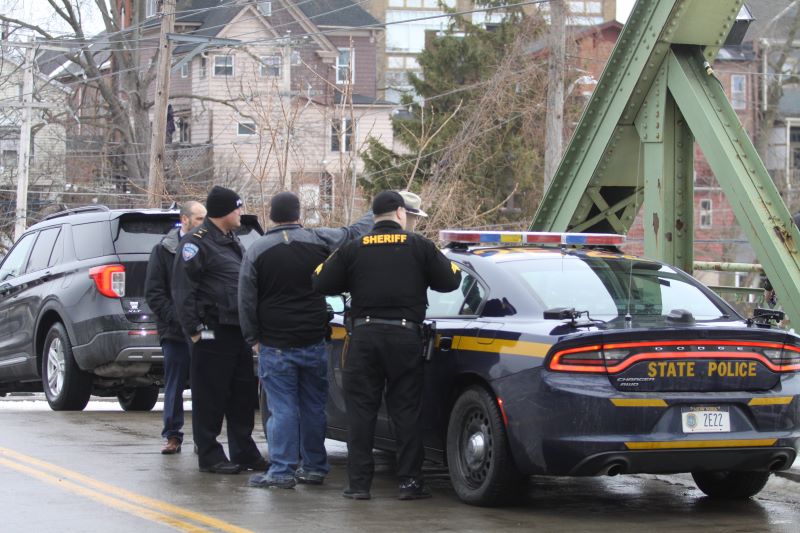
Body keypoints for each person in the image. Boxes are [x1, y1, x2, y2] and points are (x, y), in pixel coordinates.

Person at [312, 190, 461, 500]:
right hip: (405, 338)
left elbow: (320, 281)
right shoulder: (419, 246)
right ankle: (409, 482)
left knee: (361, 412)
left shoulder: (353, 248)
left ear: (374, 216)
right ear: (400, 212)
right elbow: (451, 281)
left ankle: (358, 485)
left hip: (363, 339)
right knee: (405, 411)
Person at [239, 191, 373, 489]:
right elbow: (353, 233)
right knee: (313, 406)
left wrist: (252, 337)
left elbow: (246, 299)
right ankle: (314, 467)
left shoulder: (257, 250)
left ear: (271, 215)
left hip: (275, 342)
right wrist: (378, 210)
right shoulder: (319, 239)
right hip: (314, 339)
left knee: (282, 409)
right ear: (298, 214)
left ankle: (282, 471)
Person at [171, 186, 268, 474]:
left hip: (237, 330)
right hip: (212, 331)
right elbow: (183, 290)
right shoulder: (196, 243)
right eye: (237, 208)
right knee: (210, 396)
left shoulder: (232, 241)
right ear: (224, 211)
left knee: (242, 396)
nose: (240, 213)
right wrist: (194, 330)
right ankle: (210, 454)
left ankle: (244, 452)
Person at [145, 200, 206, 455]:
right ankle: (172, 435)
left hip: (203, 329)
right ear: (185, 220)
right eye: (199, 219)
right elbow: (154, 293)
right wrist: (179, 319)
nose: (204, 223)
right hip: (174, 331)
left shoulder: (207, 247)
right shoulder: (164, 250)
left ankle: (204, 438)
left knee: (204, 384)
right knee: (175, 383)